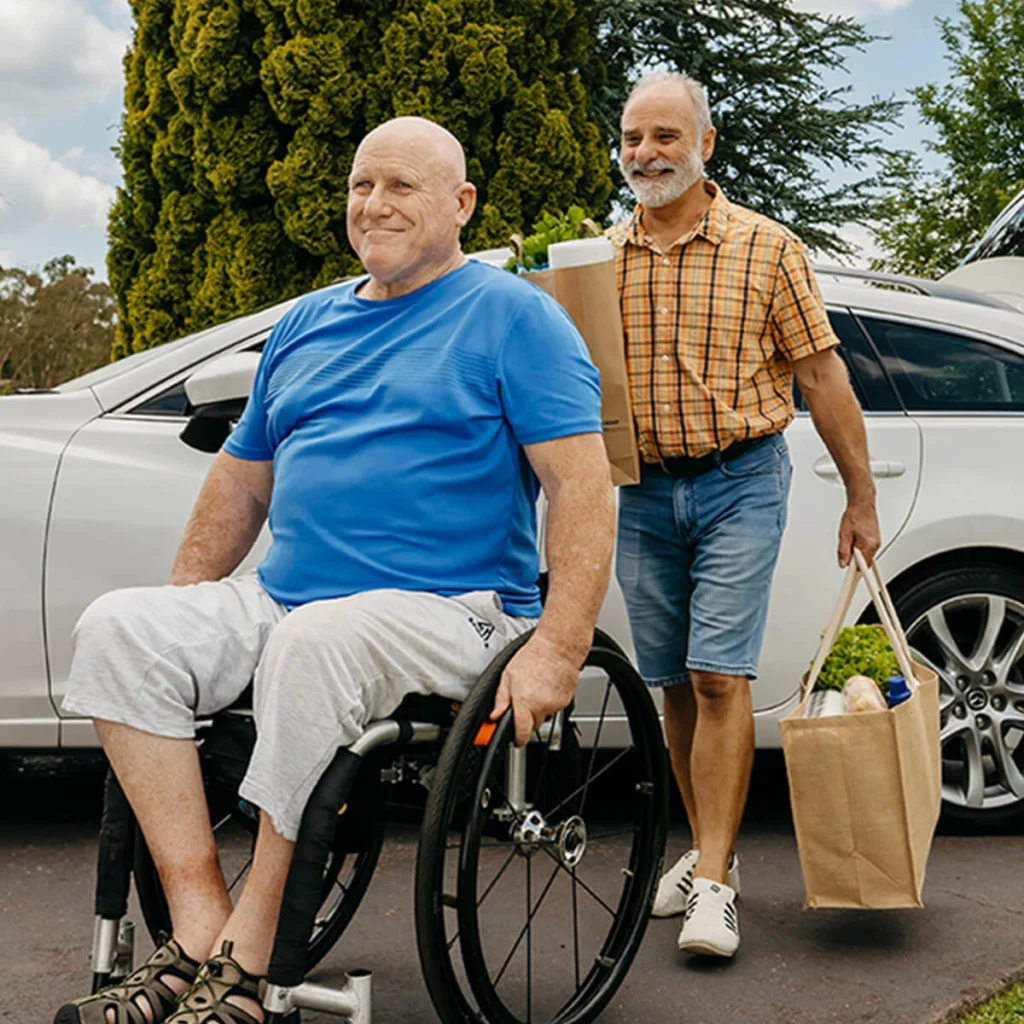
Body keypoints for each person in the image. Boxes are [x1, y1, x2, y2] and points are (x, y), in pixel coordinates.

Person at [55, 116, 615, 1024]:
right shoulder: (307, 323)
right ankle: (200, 929)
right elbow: (240, 485)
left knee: (319, 640)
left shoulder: (518, 319)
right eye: (363, 185)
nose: (375, 204)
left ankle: (248, 957)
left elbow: (583, 488)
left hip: (456, 610)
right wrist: (189, 607)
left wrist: (558, 646)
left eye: (402, 186)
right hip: (291, 600)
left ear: (462, 205)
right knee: (121, 627)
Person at [609, 72, 881, 958]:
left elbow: (823, 376)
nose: (645, 153)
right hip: (642, 490)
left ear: (705, 143)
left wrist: (861, 495)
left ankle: (717, 884)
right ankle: (702, 848)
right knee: (674, 683)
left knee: (720, 674)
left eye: (663, 135)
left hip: (741, 481)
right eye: (632, 137)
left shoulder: (768, 250)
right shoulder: (599, 259)